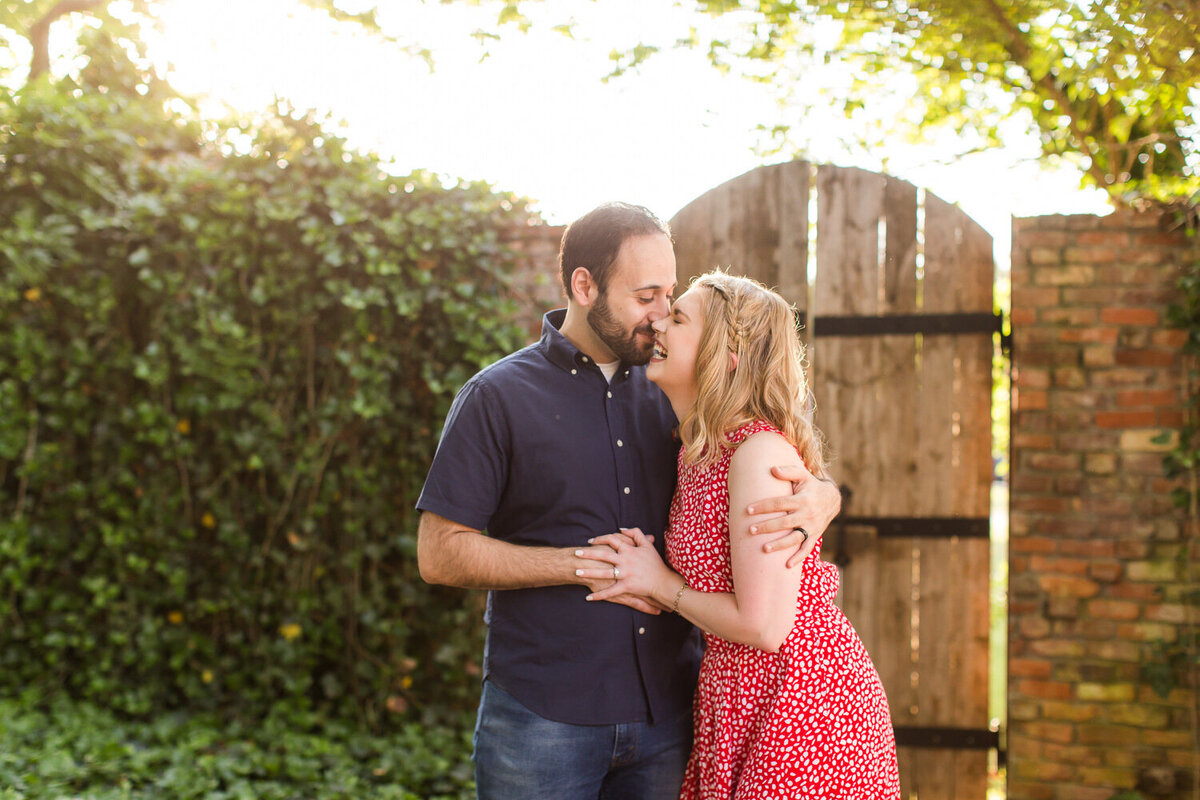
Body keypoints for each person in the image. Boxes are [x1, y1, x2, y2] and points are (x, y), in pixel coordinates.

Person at [415, 203, 843, 800]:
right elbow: (440, 554)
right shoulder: (496, 397)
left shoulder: (681, 390)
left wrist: (825, 495)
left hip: (672, 714)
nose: (661, 316)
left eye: (669, 295)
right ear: (584, 286)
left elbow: (769, 449)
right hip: (543, 715)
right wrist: (587, 563)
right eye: (646, 296)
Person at [579, 271, 901, 799]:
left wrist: (661, 585)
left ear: (727, 355)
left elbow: (764, 625)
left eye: (678, 317)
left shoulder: (756, 454)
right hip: (740, 698)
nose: (659, 321)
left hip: (801, 706)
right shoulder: (701, 450)